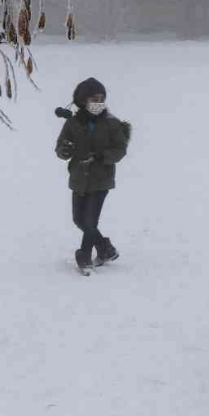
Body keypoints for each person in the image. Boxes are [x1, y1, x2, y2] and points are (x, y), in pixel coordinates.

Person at [54, 77, 130, 275]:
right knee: (78, 219)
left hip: (101, 179)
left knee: (90, 221)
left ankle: (84, 256)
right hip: (78, 178)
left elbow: (120, 150)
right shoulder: (72, 123)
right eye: (93, 99)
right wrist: (65, 149)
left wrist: (102, 157)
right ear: (82, 100)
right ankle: (106, 249)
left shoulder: (111, 123)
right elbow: (61, 149)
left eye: (101, 98)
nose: (98, 103)